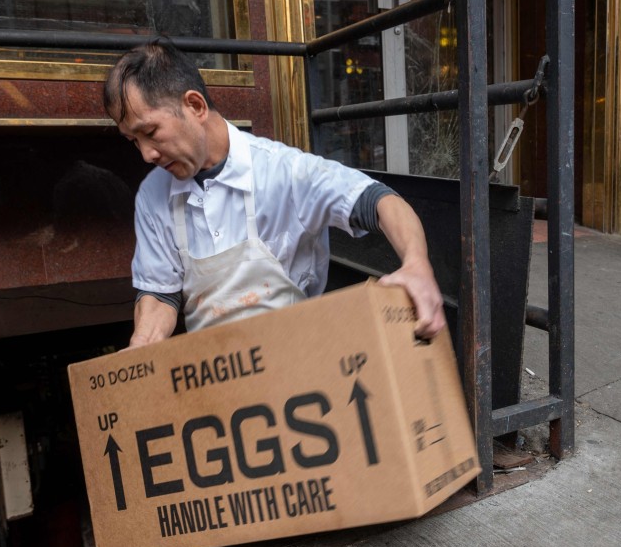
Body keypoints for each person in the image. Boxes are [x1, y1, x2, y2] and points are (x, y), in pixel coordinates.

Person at [102, 40, 445, 348]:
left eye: (150, 132)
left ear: (195, 105)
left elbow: (379, 201)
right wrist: (143, 347)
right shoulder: (152, 194)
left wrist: (416, 264)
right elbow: (160, 293)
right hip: (212, 372)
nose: (146, 154)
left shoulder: (283, 171)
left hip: (296, 360)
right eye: (134, 141)